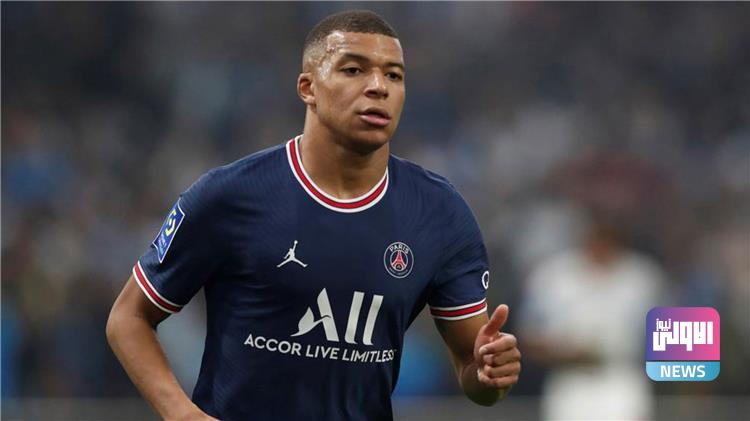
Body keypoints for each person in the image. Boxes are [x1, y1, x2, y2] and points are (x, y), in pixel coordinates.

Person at [106, 10, 520, 421]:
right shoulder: (230, 195)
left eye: (394, 75)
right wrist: (182, 414)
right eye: (354, 69)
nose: (378, 87)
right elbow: (129, 317)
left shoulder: (440, 213)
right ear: (308, 87)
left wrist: (491, 374)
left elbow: (474, 372)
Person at [518, 213, 665, 420]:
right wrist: (564, 351)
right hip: (570, 381)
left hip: (623, 378)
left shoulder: (642, 277)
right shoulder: (554, 276)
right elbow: (527, 337)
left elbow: (671, 339)